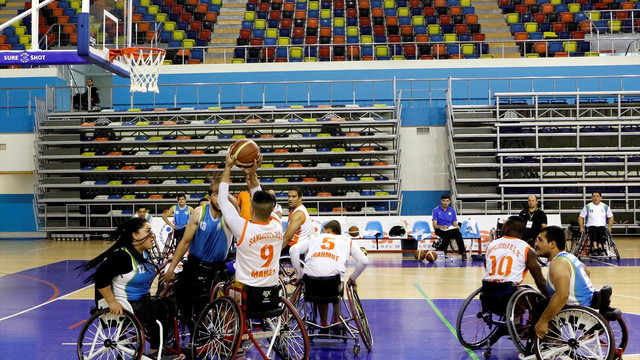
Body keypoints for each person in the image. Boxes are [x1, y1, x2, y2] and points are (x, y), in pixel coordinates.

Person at [78, 218, 185, 360]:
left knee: (172, 301)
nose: (152, 235)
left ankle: (163, 344)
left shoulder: (143, 254)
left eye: (152, 232)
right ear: (135, 235)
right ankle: (155, 352)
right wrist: (112, 302)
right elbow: (100, 278)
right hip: (126, 305)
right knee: (157, 307)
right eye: (148, 232)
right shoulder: (122, 256)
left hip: (142, 301)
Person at [162, 182, 235, 330]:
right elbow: (185, 242)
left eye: (222, 196)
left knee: (219, 303)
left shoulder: (229, 215)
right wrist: (171, 269)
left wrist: (225, 186)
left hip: (216, 267)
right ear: (209, 198)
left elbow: (238, 208)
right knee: (182, 299)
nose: (220, 199)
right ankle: (196, 330)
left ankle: (225, 336)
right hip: (195, 264)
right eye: (216, 195)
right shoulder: (198, 212)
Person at [218, 149, 284, 288]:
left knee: (221, 292)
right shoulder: (277, 224)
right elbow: (259, 196)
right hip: (271, 289)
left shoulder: (243, 228)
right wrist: (252, 174)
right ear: (272, 209)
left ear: (251, 210)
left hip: (247, 290)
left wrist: (228, 166)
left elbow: (222, 200)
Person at [528, 226, 596, 356]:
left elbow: (562, 295)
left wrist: (543, 322)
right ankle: (551, 339)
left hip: (580, 312)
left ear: (552, 244)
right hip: (590, 305)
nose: (536, 244)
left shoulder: (558, 263)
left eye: (540, 240)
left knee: (541, 307)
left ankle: (545, 343)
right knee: (544, 302)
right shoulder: (570, 257)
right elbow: (586, 272)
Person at [290, 220, 369, 331]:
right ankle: (337, 318)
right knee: (337, 281)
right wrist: (353, 278)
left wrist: (299, 276)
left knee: (319, 285)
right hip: (334, 284)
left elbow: (293, 250)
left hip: (311, 284)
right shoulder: (347, 240)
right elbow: (364, 261)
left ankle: (323, 322)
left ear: (328, 230)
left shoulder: (313, 237)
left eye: (323, 230)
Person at [482, 216, 549, 316]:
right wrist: (550, 297)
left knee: (520, 289)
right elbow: (539, 280)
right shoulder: (527, 249)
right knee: (541, 300)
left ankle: (509, 325)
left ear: (507, 228)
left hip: (487, 295)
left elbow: (487, 266)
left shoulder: (491, 245)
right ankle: (529, 328)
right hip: (508, 298)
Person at [432, 194, 467, 260]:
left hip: (450, 228)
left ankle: (463, 252)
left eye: (447, 201)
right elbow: (434, 225)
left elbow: (454, 223)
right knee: (448, 233)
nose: (445, 202)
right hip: (440, 229)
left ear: (449, 202)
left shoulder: (452, 210)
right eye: (444, 201)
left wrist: (457, 226)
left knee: (457, 233)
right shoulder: (436, 210)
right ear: (441, 201)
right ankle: (443, 252)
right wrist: (442, 227)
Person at [282, 187, 313, 255]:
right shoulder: (296, 210)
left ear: (300, 198)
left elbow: (288, 237)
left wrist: (276, 251)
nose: (290, 199)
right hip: (295, 244)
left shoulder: (298, 214)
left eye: (293, 197)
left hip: (293, 245)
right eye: (289, 196)